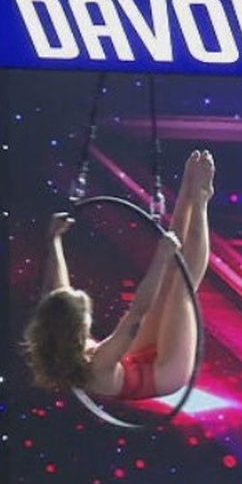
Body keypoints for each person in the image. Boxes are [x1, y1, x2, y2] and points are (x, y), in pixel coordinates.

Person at [23, 149, 214, 401]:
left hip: (130, 360)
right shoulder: (97, 366)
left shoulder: (56, 331)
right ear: (78, 329)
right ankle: (201, 199)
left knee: (168, 272)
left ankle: (187, 192)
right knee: (180, 286)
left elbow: (57, 287)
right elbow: (138, 311)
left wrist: (54, 239)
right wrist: (160, 257)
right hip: (164, 374)